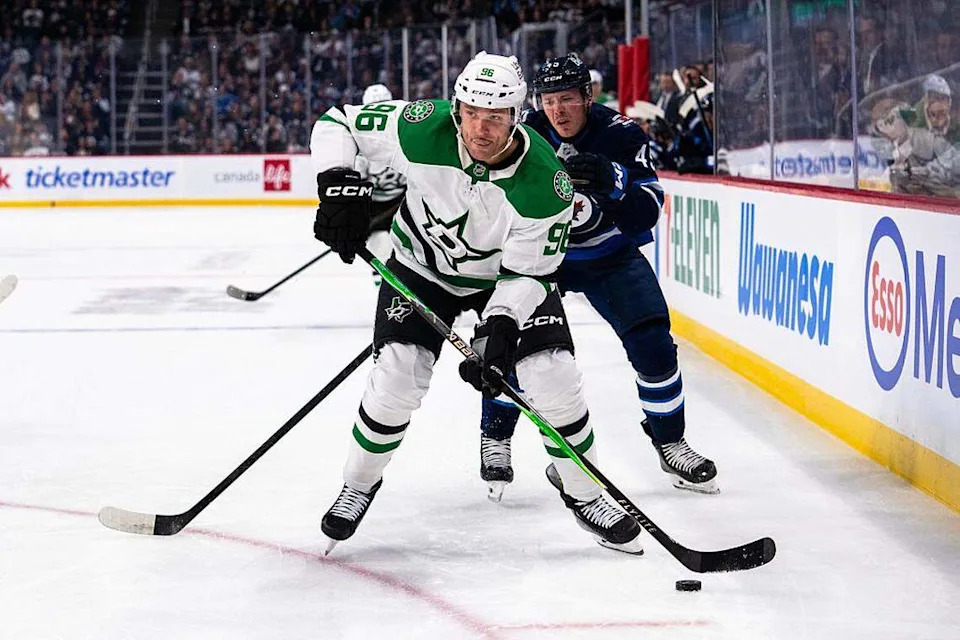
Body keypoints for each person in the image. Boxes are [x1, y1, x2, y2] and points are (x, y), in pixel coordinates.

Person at [310, 51, 643, 555]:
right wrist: (337, 187)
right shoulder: (422, 127)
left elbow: (531, 270)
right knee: (397, 377)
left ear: (515, 116)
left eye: (495, 117)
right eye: (471, 114)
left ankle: (584, 493)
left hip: (502, 278)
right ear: (457, 106)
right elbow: (338, 123)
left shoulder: (545, 182)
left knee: (553, 376)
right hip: (421, 270)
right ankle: (358, 484)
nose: (480, 129)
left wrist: (502, 324)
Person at [478, 53, 719, 505]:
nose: (558, 111)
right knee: (510, 342)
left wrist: (616, 181)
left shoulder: (621, 134)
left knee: (653, 343)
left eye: (567, 98)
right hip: (541, 258)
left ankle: (671, 443)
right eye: (549, 100)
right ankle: (496, 436)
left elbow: (649, 209)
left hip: (609, 256)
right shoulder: (523, 134)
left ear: (588, 97)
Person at [357, 83, 407, 274]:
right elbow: (359, 184)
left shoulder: (406, 135)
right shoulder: (360, 145)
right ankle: (382, 275)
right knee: (377, 240)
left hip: (404, 200)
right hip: (375, 204)